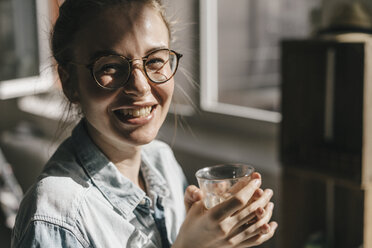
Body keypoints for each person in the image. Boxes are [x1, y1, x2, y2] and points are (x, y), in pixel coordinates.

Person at [11, 0, 278, 247]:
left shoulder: (162, 160)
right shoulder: (55, 216)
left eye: (155, 61)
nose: (140, 86)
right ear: (70, 82)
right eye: (110, 66)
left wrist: (210, 236)